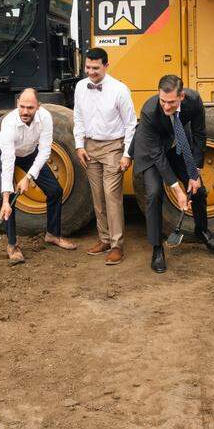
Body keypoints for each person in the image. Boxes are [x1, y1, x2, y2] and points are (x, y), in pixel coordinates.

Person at [130, 75, 214, 273]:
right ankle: (157, 249)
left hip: (178, 146)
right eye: (162, 101)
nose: (165, 106)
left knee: (199, 190)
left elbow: (199, 134)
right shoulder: (149, 110)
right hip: (152, 153)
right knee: (154, 193)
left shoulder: (194, 101)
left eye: (171, 102)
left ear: (181, 96)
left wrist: (195, 171)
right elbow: (157, 155)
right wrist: (177, 191)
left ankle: (202, 231)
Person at [0, 88, 78, 264]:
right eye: (22, 106)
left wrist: (28, 177)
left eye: (30, 108)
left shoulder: (45, 117)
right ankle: (12, 245)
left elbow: (45, 150)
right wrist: (5, 199)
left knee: (55, 191)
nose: (25, 111)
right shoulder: (9, 123)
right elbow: (8, 163)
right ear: (17, 104)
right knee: (9, 202)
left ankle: (53, 235)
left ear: (38, 107)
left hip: (30, 153)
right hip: (5, 154)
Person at [73, 47, 137, 265]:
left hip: (113, 148)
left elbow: (131, 125)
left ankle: (117, 245)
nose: (91, 72)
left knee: (111, 196)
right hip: (89, 148)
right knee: (97, 196)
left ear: (106, 66)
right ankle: (104, 239)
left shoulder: (120, 90)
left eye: (96, 68)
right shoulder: (80, 87)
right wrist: (79, 146)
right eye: (88, 67)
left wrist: (127, 154)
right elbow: (78, 117)